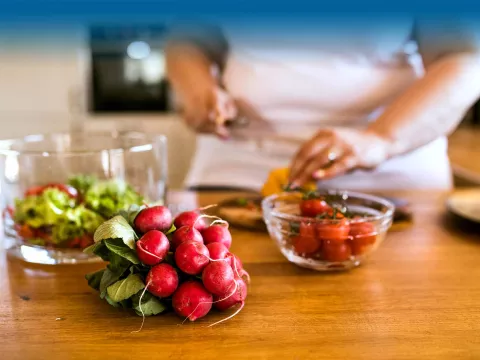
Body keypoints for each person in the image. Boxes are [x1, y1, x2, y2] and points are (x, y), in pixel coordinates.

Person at [165, 19, 480, 192]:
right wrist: (197, 91)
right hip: (236, 172)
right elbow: (188, 39)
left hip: (393, 181)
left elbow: (465, 60)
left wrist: (380, 139)